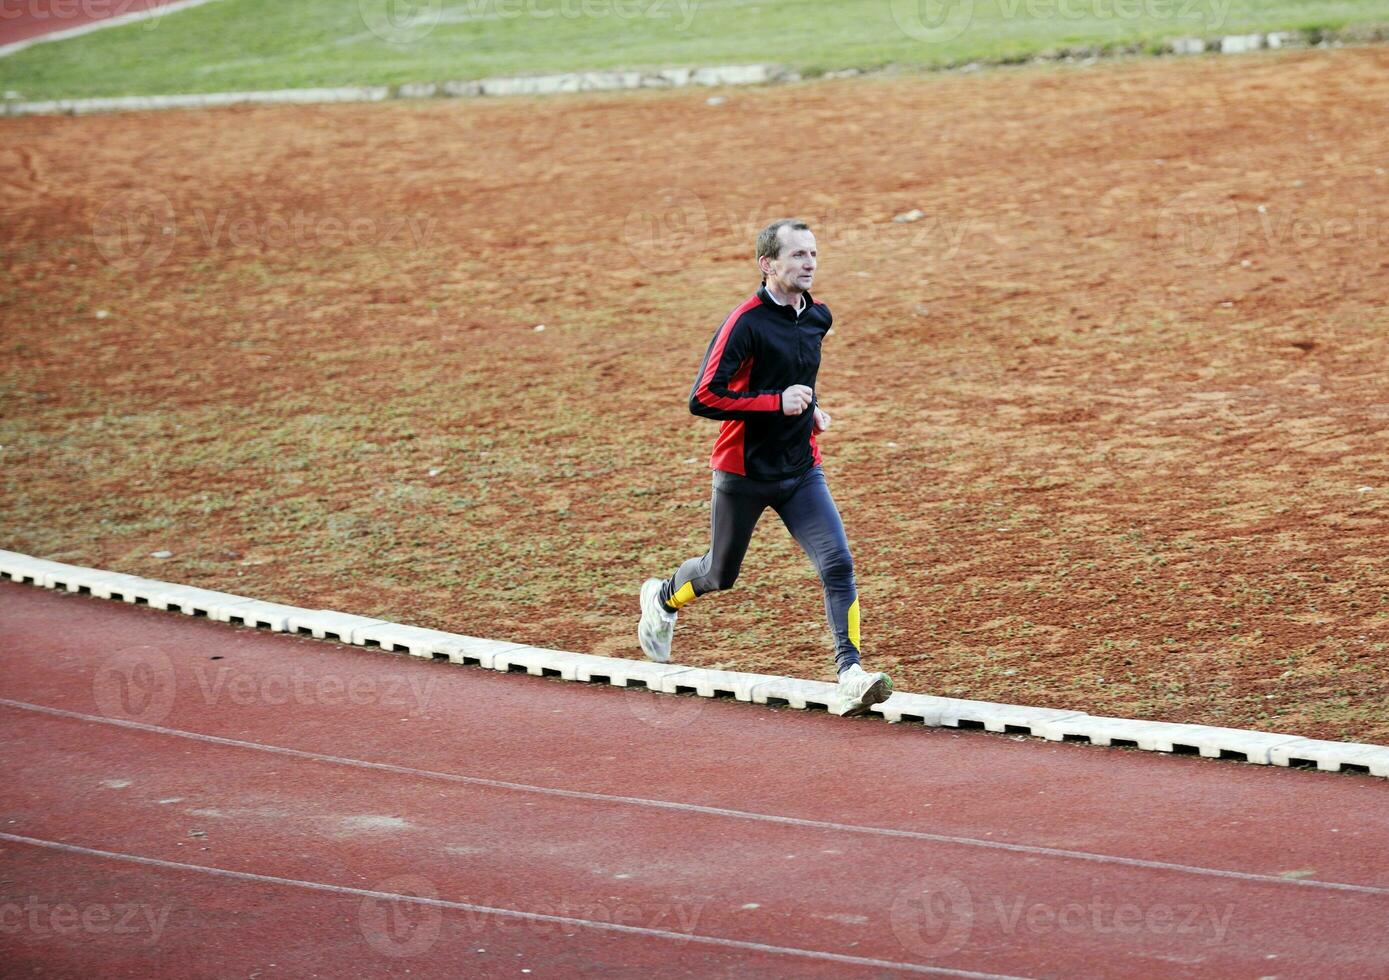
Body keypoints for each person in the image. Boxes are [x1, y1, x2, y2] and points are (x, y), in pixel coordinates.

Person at [638, 218, 893, 718]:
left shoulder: (818, 316)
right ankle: (663, 599)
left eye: (813, 254)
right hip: (743, 472)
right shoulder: (745, 323)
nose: (809, 264)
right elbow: (703, 398)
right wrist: (777, 404)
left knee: (837, 563)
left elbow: (798, 377)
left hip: (801, 470)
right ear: (768, 264)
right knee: (720, 572)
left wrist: (811, 407)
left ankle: (850, 673)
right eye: (797, 255)